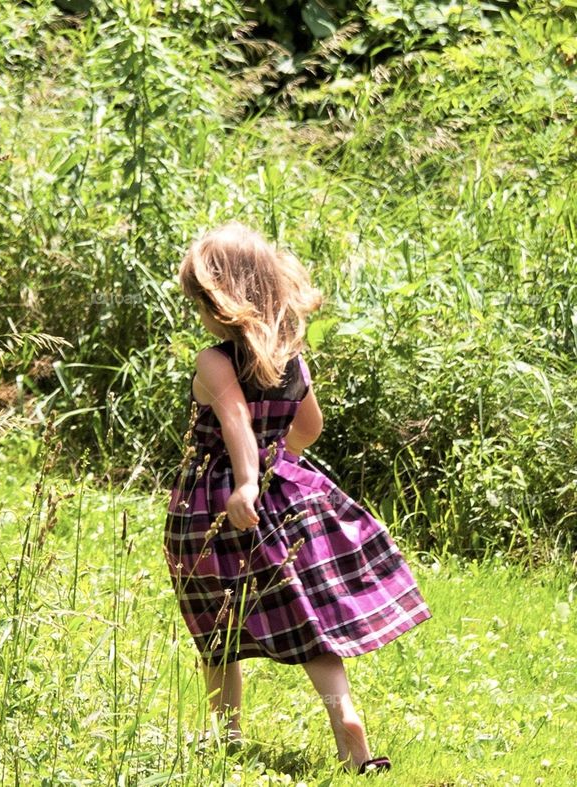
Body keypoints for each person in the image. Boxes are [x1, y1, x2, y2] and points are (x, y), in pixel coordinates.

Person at [163, 221, 432, 775]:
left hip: (212, 506)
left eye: (200, 303)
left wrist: (244, 480)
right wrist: (273, 459)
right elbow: (309, 427)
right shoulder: (291, 360)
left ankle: (225, 733)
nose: (199, 315)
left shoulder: (214, 360)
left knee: (218, 626)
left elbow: (234, 418)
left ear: (222, 300)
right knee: (308, 624)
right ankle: (347, 727)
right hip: (282, 497)